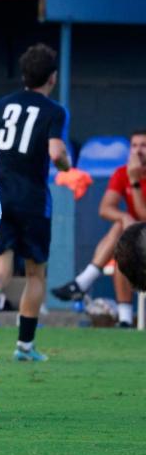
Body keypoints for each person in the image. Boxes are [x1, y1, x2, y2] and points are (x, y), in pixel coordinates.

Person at [0, 44, 71, 360]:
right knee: (36, 273)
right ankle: (24, 346)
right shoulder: (54, 110)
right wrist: (68, 168)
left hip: (0, 193)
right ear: (52, 77)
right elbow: (56, 153)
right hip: (33, 199)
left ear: (24, 74)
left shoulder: (2, 105)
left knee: (0, 269)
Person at [52, 130, 146, 327]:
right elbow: (105, 209)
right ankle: (125, 320)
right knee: (123, 238)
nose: (138, 151)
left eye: (143, 146)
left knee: (123, 231)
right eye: (135, 146)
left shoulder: (132, 175)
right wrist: (125, 216)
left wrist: (135, 182)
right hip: (137, 237)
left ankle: (84, 282)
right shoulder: (123, 172)